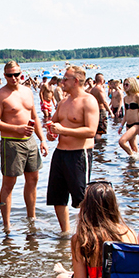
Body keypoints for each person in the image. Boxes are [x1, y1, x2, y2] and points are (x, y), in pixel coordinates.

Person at [0, 60, 47, 233]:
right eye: (10, 75)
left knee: (33, 180)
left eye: (17, 74)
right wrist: (17, 129)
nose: (14, 78)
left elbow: (35, 117)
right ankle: (6, 225)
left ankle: (32, 218)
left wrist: (42, 139)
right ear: (5, 76)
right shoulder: (0, 95)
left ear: (21, 74)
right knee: (9, 184)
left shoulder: (28, 91)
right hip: (11, 143)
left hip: (30, 142)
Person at [46, 66, 99, 236]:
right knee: (57, 197)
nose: (62, 82)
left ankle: (86, 233)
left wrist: (63, 130)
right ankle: (66, 233)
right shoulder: (63, 102)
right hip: (60, 154)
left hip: (79, 154)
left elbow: (91, 131)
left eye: (65, 79)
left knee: (82, 198)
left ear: (76, 81)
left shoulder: (88, 101)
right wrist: (51, 133)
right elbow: (53, 124)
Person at [117, 77, 139, 158]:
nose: (125, 86)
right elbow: (126, 114)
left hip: (136, 124)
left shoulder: (137, 96)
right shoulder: (125, 98)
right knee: (134, 147)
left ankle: (132, 157)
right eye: (124, 85)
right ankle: (135, 165)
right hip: (128, 125)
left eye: (127, 84)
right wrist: (121, 126)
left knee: (122, 141)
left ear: (132, 85)